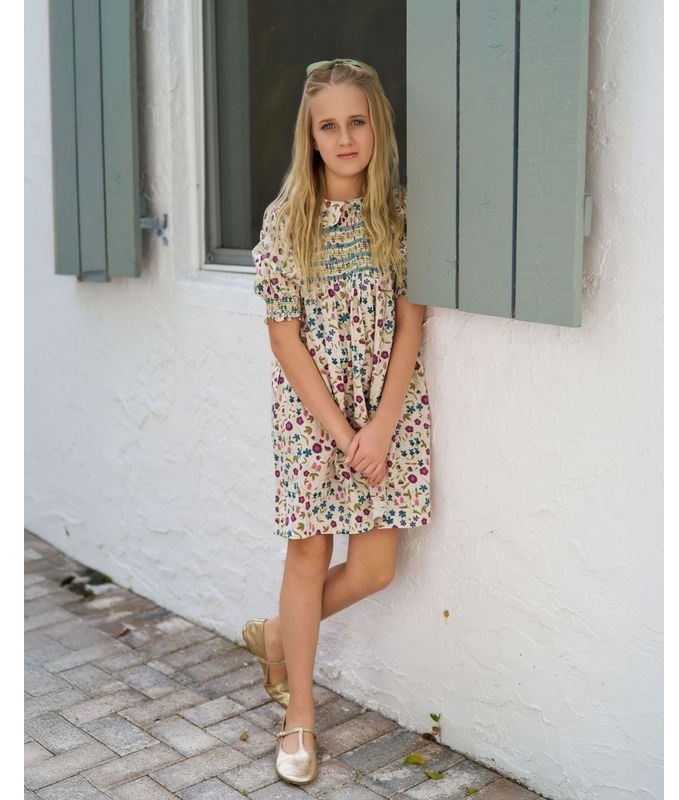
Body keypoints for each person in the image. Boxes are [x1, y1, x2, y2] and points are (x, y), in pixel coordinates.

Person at [244, 58, 432, 786]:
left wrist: (380, 427)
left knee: (377, 568)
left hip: (388, 409)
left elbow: (412, 325)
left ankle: (275, 635)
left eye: (357, 121)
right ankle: (300, 716)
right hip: (311, 414)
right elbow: (284, 337)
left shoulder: (401, 215)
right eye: (329, 125)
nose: (345, 137)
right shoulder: (288, 218)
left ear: (377, 125)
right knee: (309, 555)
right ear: (311, 135)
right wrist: (342, 432)